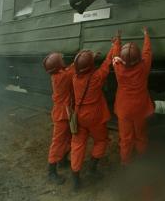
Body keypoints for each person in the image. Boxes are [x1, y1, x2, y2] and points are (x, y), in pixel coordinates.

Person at [70, 32, 121, 190]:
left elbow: (79, 65)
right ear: (91, 66)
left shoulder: (74, 77)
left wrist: (90, 57)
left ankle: (75, 179)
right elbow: (107, 63)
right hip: (94, 116)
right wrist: (115, 44)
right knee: (101, 140)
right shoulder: (96, 78)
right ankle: (92, 168)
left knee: (78, 144)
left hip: (79, 116)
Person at [112, 27, 154, 166]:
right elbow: (147, 52)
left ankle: (126, 162)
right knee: (141, 135)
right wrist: (146, 35)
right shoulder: (144, 67)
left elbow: (115, 54)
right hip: (140, 108)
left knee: (125, 138)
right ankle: (142, 159)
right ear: (138, 58)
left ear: (123, 60)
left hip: (124, 109)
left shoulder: (118, 68)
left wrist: (118, 39)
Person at [43, 52, 75, 185]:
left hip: (64, 112)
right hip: (62, 114)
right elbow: (73, 70)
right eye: (61, 60)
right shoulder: (63, 76)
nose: (63, 61)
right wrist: (85, 58)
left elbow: (69, 69)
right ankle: (51, 172)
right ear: (58, 65)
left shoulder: (58, 74)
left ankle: (62, 160)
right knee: (58, 142)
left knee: (68, 137)